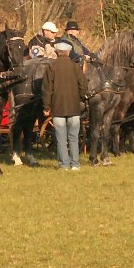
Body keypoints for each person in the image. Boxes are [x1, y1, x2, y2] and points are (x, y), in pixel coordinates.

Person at [42, 40, 87, 171]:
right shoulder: (75, 67)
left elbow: (47, 89)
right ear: (68, 52)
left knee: (61, 138)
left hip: (58, 108)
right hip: (74, 108)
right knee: (73, 137)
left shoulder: (52, 66)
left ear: (57, 51)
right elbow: (83, 86)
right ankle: (75, 164)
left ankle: (64, 165)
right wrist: (78, 97)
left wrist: (46, 106)